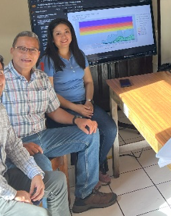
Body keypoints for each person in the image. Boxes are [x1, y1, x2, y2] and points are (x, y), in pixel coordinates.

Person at [1, 31, 117, 213]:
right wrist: (18, 145)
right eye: (22, 48)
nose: (27, 54)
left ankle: (85, 196)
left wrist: (77, 120)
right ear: (12, 51)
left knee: (90, 132)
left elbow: (54, 112)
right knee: (45, 170)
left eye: (32, 50)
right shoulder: (0, 81)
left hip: (43, 137)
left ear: (38, 54)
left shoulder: (41, 78)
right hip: (17, 143)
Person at [0, 52, 71, 216]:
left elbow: (14, 146)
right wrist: (12, 194)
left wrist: (34, 174)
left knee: (56, 181)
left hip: (2, 178)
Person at [39, 18, 117, 187]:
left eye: (66, 31)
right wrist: (76, 108)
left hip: (84, 103)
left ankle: (94, 167)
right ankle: (91, 174)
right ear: (52, 39)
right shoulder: (47, 60)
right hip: (62, 108)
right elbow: (50, 93)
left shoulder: (79, 55)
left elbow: (89, 82)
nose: (63, 36)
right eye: (58, 33)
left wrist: (88, 102)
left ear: (72, 34)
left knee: (110, 129)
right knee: (90, 132)